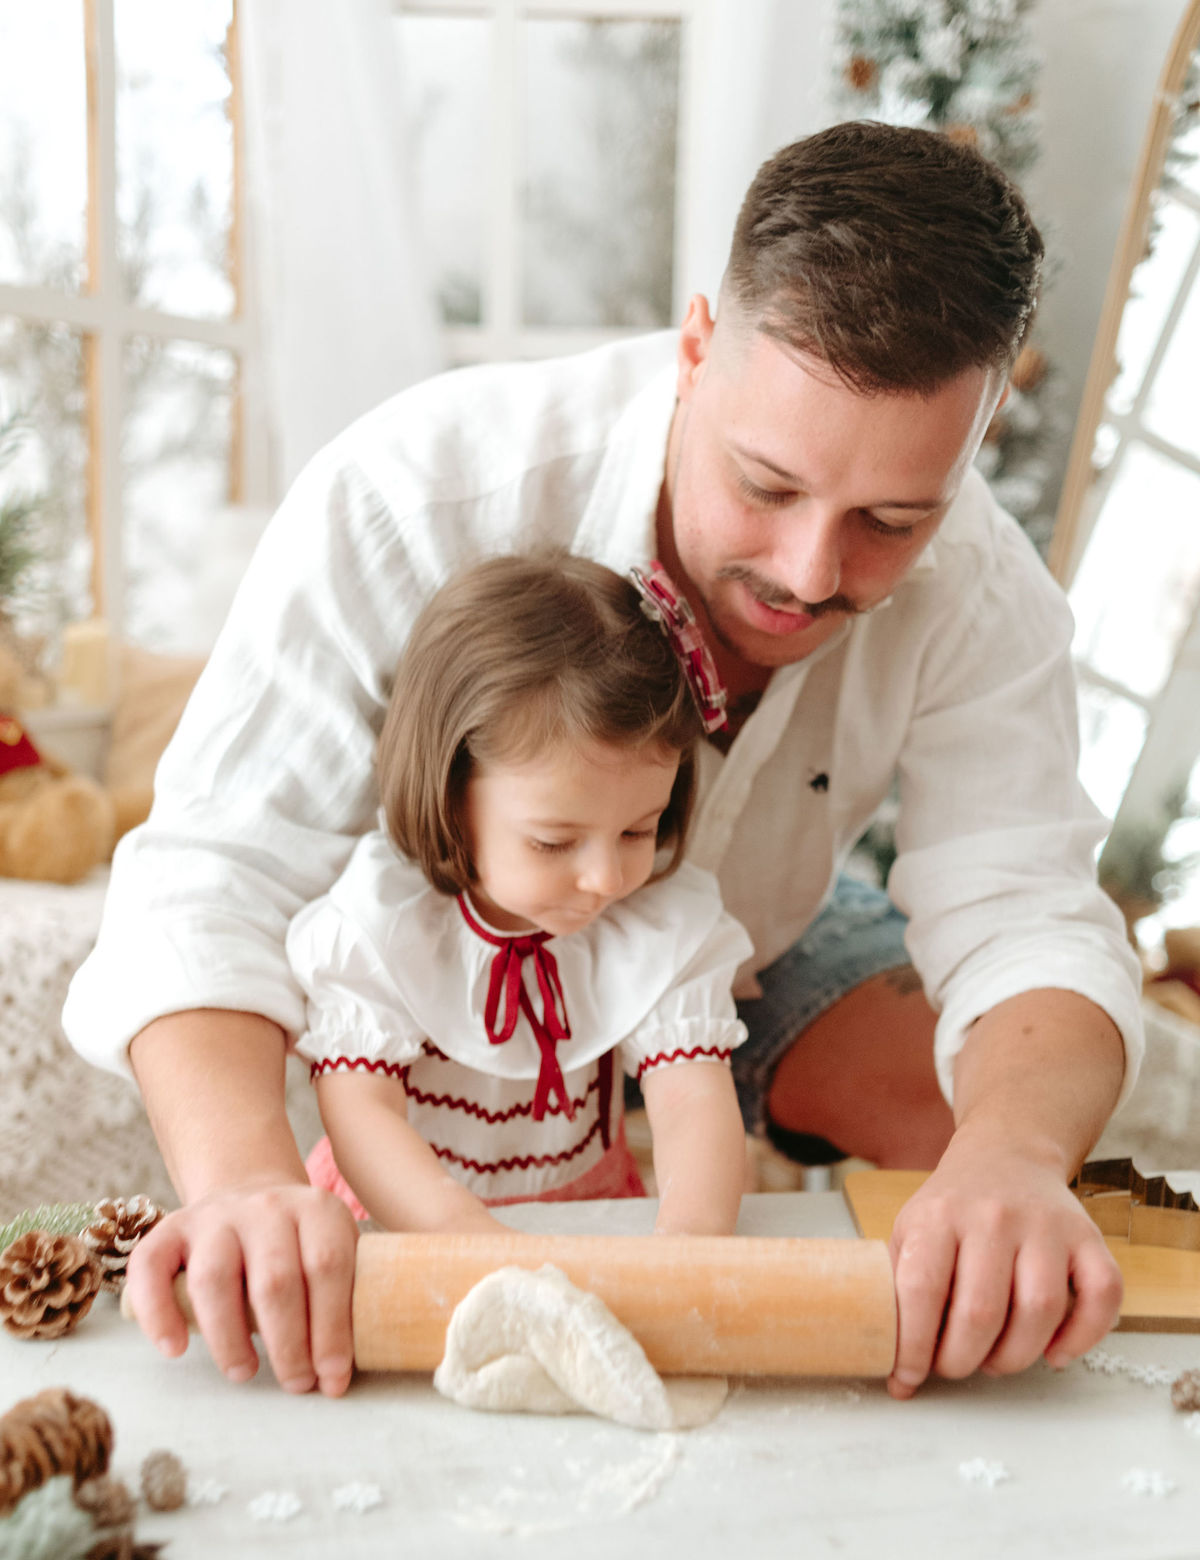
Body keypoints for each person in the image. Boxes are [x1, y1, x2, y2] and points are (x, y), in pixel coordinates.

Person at [64, 120, 1142, 1403]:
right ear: (695, 349)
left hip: (771, 928)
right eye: (766, 485)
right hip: (466, 948)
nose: (808, 572)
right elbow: (216, 874)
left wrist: (1014, 1157)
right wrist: (243, 1177)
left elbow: (1027, 914)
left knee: (983, 1162)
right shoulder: (413, 492)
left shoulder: (984, 587)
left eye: (889, 520)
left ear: (980, 431)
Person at [286, 550, 749, 1236]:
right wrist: (470, 1242)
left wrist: (688, 1244)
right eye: (554, 842)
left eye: (636, 830)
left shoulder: (652, 925)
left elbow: (691, 1104)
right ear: (451, 794)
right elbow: (362, 1113)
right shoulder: (385, 927)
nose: (605, 879)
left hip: (587, 1215)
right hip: (404, 1227)